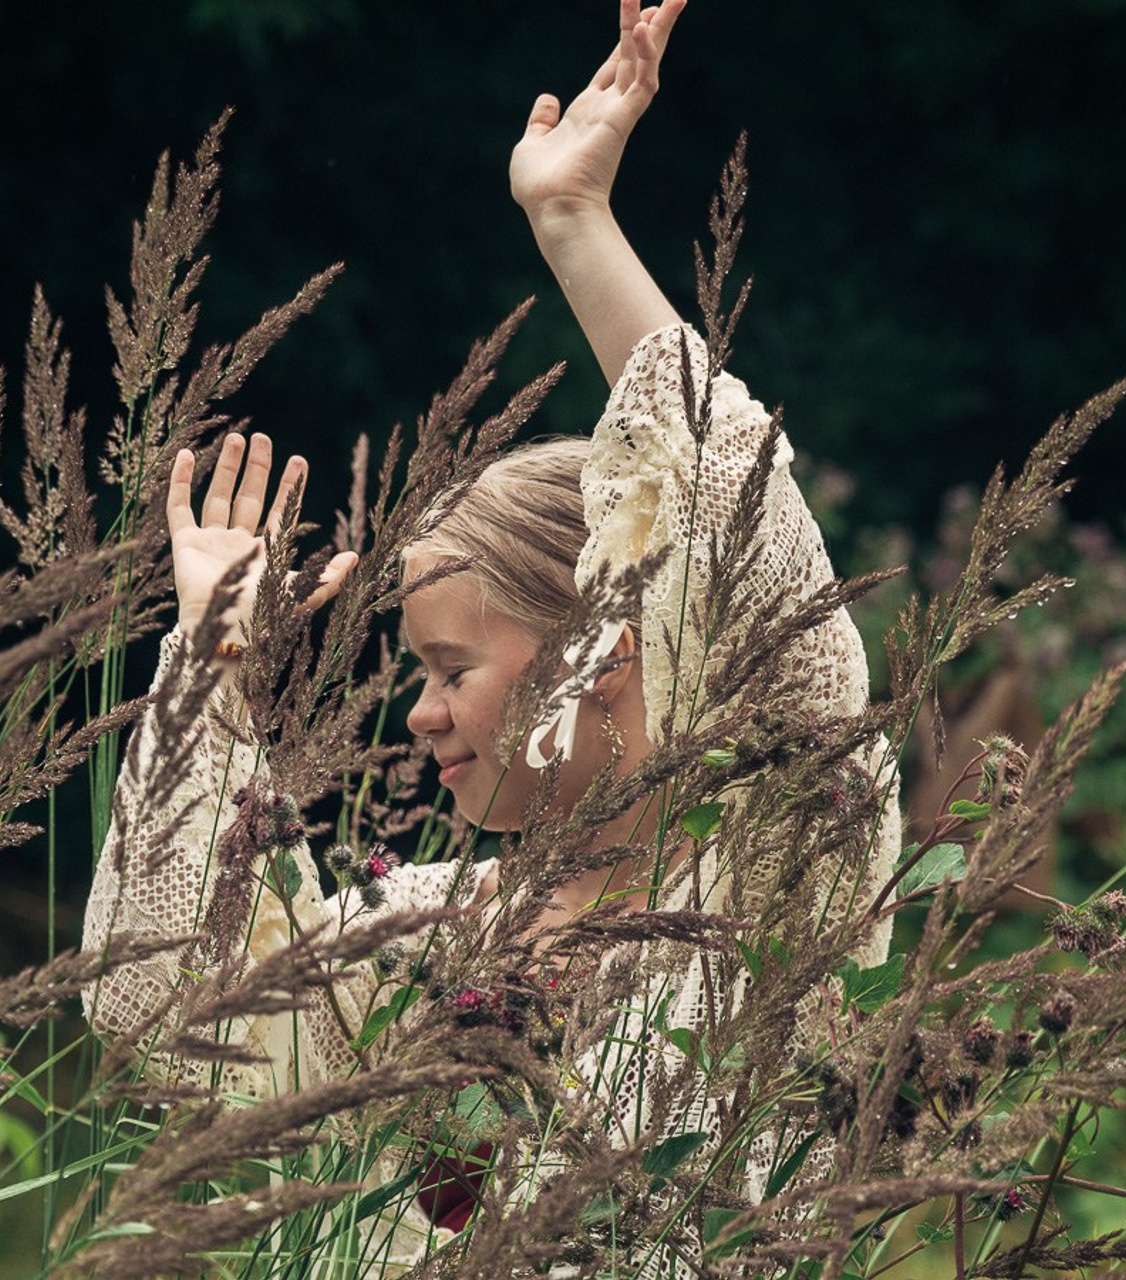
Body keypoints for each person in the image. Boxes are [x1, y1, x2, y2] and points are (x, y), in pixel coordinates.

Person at [82, 0, 899, 1270]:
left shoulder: (762, 877)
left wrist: (573, 223)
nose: (416, 711)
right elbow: (161, 1016)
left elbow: (751, 542)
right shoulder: (422, 925)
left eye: (449, 667)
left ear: (596, 647)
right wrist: (209, 674)